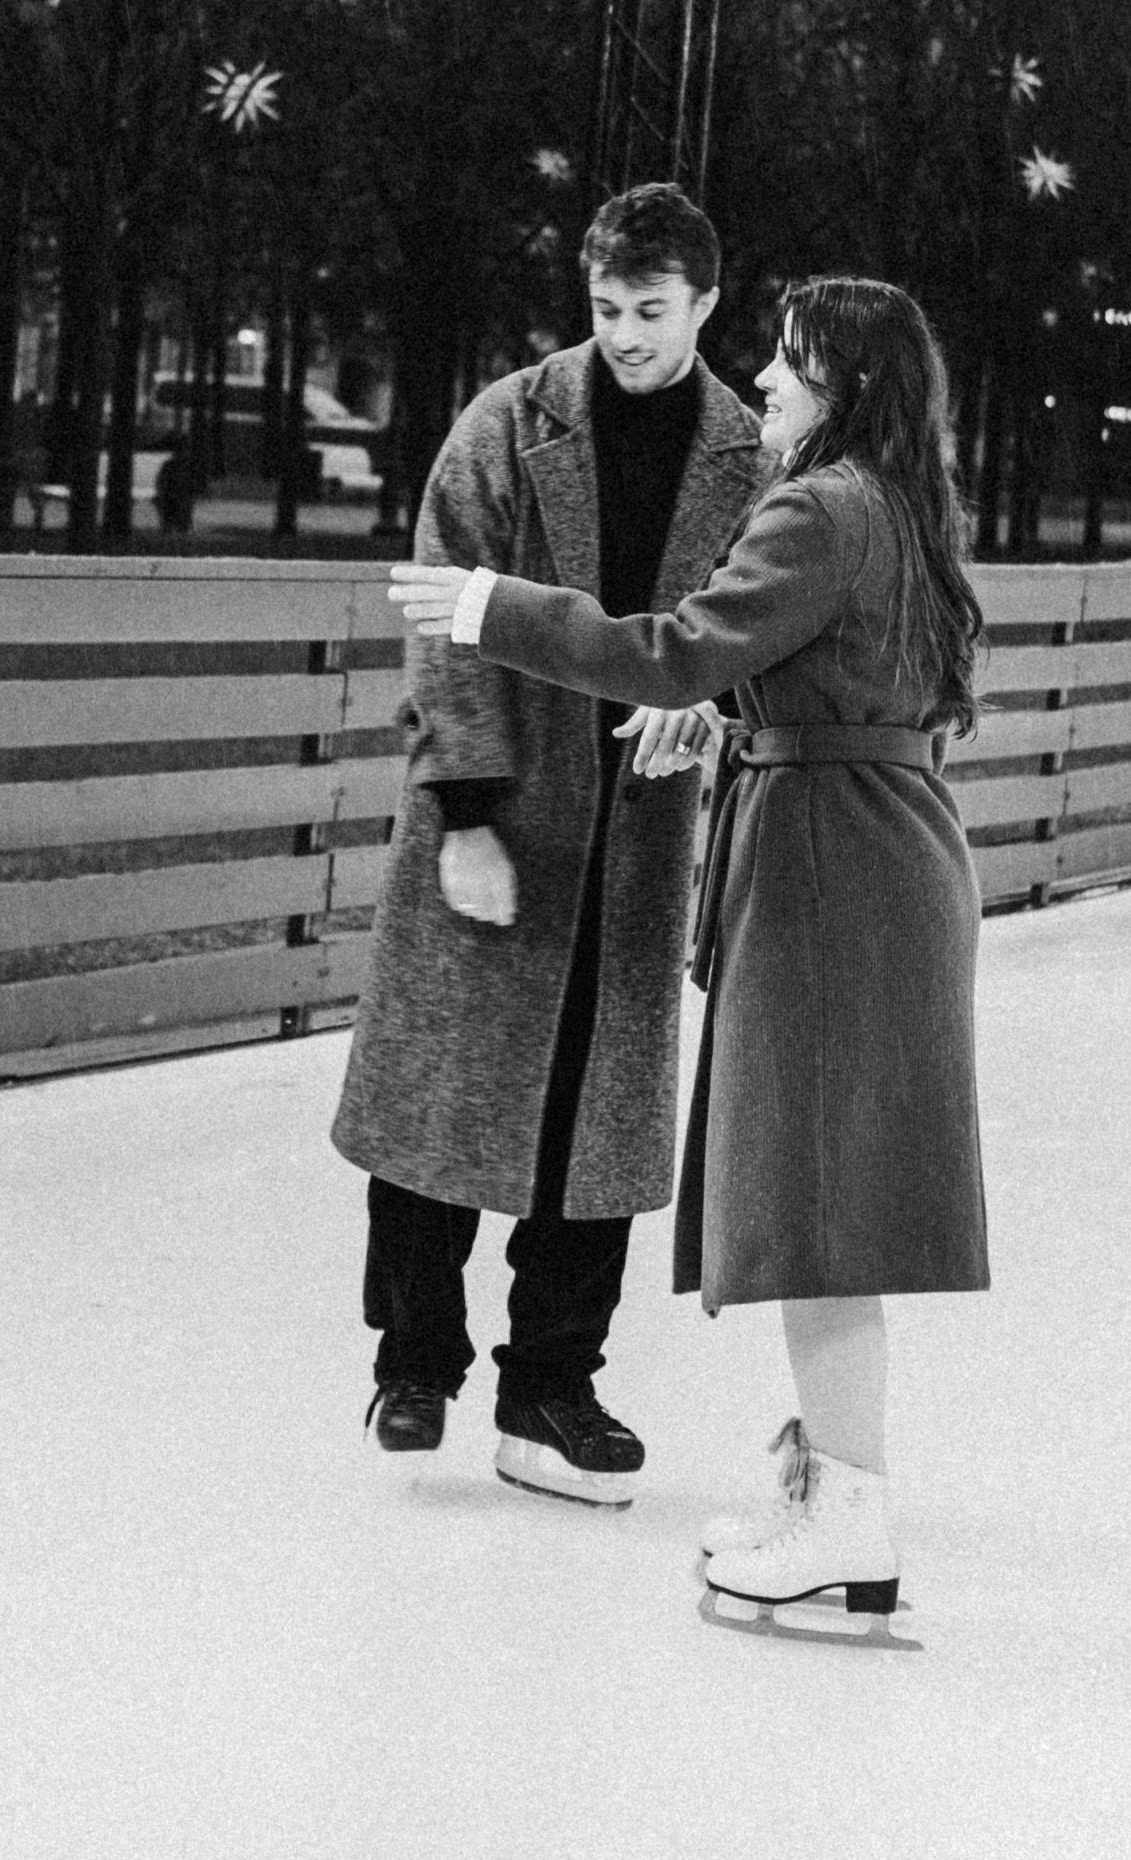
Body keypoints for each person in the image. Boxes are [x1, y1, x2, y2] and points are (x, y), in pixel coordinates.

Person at [390, 275, 990, 1622]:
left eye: (791, 366)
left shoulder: (821, 506)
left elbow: (670, 647)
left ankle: (850, 1512)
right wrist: (734, 716)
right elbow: (842, 678)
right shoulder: (893, 509)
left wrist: (497, 607)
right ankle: (834, 1490)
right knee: (822, 1207)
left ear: (849, 390)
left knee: (818, 1216)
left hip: (834, 874)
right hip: (872, 848)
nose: (764, 384)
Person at [331, 185, 762, 1502]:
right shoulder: (508, 425)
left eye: (650, 311)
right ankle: (414, 1363)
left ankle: (555, 1385)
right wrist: (461, 808)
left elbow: (754, 629)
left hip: (634, 831)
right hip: (503, 805)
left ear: (703, 305)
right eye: (605, 309)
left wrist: (717, 713)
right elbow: (438, 613)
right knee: (442, 1095)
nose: (625, 335)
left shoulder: (748, 458)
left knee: (597, 1111)